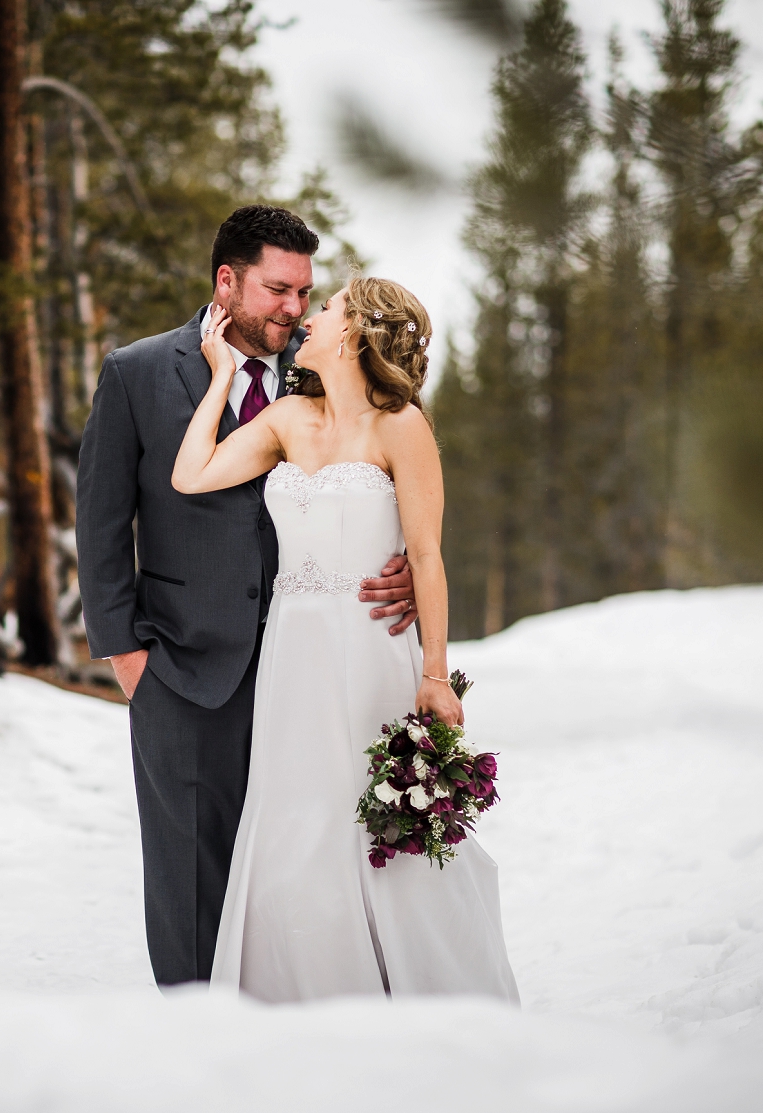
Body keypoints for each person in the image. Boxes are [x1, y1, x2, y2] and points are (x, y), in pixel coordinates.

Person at [75, 206, 417, 988]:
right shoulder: (135, 371)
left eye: (304, 291)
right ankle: (200, 1055)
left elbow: (397, 476)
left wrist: (399, 560)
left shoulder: (333, 365)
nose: (295, 309)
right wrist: (129, 656)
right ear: (225, 281)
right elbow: (99, 522)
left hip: (315, 666)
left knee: (313, 861)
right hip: (184, 665)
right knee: (191, 874)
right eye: (276, 290)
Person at [172, 277, 519, 1003]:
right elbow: (191, 473)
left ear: (356, 331)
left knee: (373, 812)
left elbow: (425, 555)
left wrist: (435, 674)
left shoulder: (403, 426)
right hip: (291, 651)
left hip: (370, 651)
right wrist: (221, 379)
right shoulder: (288, 417)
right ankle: (303, 993)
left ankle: (430, 993)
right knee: (296, 815)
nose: (311, 316)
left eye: (326, 307)